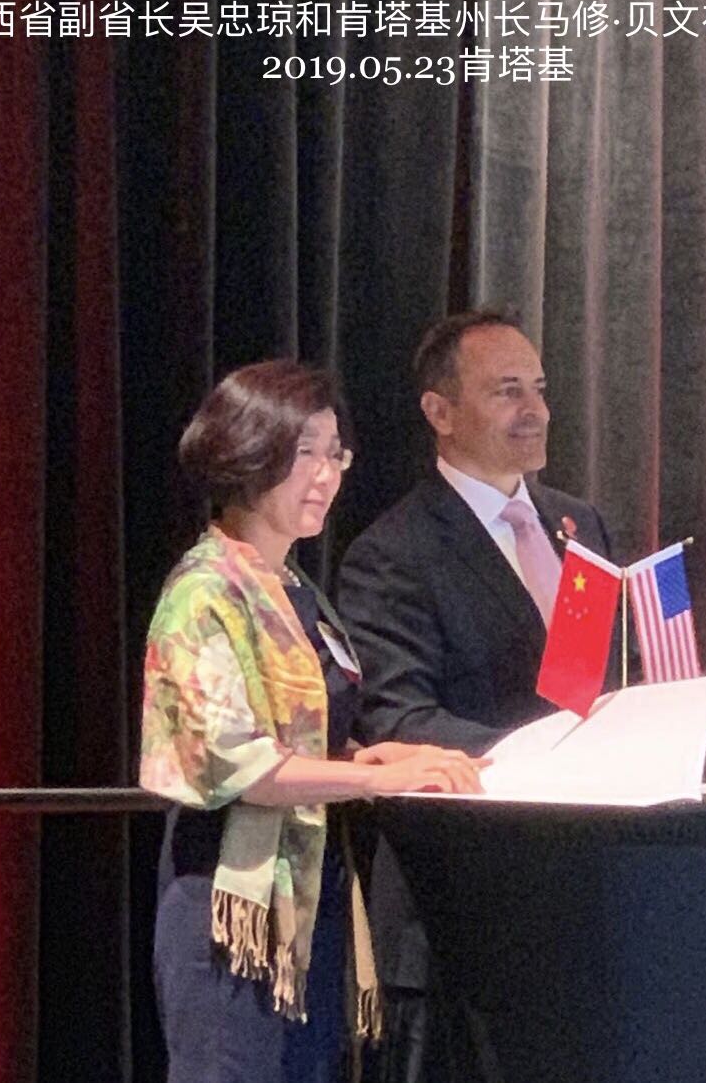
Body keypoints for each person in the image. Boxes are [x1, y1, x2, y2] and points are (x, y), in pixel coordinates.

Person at [139, 359, 487, 1083]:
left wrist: (376, 758)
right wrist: (372, 782)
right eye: (306, 453)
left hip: (310, 895)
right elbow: (238, 763)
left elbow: (312, 732)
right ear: (249, 453)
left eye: (336, 454)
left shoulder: (295, 588)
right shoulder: (204, 591)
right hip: (230, 905)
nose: (326, 475)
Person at [336, 309, 618, 1083]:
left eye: (540, 388)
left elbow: (602, 681)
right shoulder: (392, 552)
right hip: (458, 910)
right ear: (440, 411)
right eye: (506, 391)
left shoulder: (580, 524)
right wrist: (554, 760)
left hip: (579, 898)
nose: (536, 411)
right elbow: (401, 718)